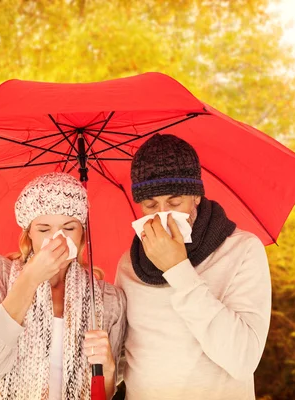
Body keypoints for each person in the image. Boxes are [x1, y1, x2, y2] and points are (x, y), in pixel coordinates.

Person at [115, 134, 272, 400]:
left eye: (175, 202)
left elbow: (243, 359)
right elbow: (121, 363)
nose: (162, 213)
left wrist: (178, 270)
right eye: (150, 205)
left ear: (196, 195)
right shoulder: (129, 264)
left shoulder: (242, 250)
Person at [0, 172, 126, 400]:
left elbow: (105, 395)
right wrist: (30, 278)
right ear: (28, 233)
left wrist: (108, 371)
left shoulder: (107, 299)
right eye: (44, 229)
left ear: (82, 233)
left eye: (69, 228)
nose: (57, 238)